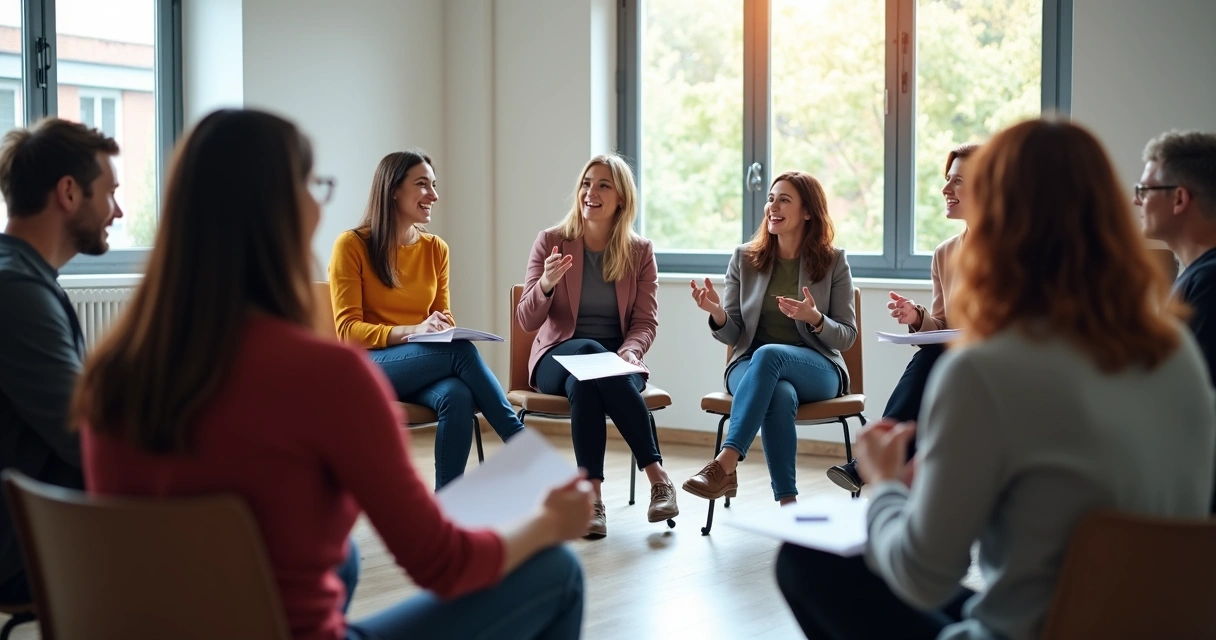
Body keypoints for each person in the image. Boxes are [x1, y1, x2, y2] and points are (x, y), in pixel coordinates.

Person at [77, 109, 591, 640]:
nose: (318, 205)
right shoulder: (327, 375)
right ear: (282, 209)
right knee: (559, 574)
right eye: (311, 185)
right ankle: (523, 448)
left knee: (451, 400)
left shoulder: (111, 372)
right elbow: (443, 565)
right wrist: (549, 525)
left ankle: (465, 492)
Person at [775, 118, 1216, 640]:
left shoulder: (986, 371)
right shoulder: (1176, 351)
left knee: (806, 562)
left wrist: (889, 487)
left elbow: (922, 577)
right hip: (1152, 625)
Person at [329, 150, 525, 488]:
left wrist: (439, 327)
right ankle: (521, 445)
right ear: (393, 190)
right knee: (459, 353)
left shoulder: (436, 249)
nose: (434, 195)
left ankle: (448, 507)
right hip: (367, 367)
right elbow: (348, 332)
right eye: (422, 185)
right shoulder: (352, 245)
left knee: (457, 395)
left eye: (434, 185)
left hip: (418, 364)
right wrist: (415, 331)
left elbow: (443, 314)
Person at [516, 153, 676, 539]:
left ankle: (592, 500)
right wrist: (545, 286)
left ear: (621, 198)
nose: (592, 192)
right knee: (588, 355)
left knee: (589, 379)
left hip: (617, 363)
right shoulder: (552, 241)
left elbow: (644, 322)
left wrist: (631, 351)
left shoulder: (640, 252)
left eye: (604, 185)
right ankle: (658, 477)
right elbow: (526, 320)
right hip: (558, 355)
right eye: (587, 183)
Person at [0, 118, 121, 605]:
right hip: (25, 544)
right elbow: (87, 437)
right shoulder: (18, 292)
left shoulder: (23, 277)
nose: (117, 212)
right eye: (110, 193)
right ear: (69, 193)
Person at [683, 171, 856, 505]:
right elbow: (733, 333)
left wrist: (815, 318)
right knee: (777, 393)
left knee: (771, 355)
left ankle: (725, 463)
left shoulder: (834, 261)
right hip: (749, 365)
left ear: (808, 212)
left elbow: (846, 337)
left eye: (784, 200)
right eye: (770, 198)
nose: (772, 206)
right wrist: (717, 313)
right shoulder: (744, 259)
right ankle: (788, 505)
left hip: (817, 368)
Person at [826, 144, 978, 493]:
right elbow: (941, 325)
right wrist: (917, 316)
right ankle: (893, 472)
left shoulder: (1015, 248)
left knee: (932, 360)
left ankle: (878, 461)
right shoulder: (945, 253)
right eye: (946, 180)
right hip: (954, 358)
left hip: (994, 361)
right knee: (932, 356)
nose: (945, 190)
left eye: (958, 181)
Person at [1136, 130, 1216, 387]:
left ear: (1179, 198)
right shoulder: (1199, 277)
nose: (1136, 201)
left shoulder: (1209, 282)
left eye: (1144, 190)